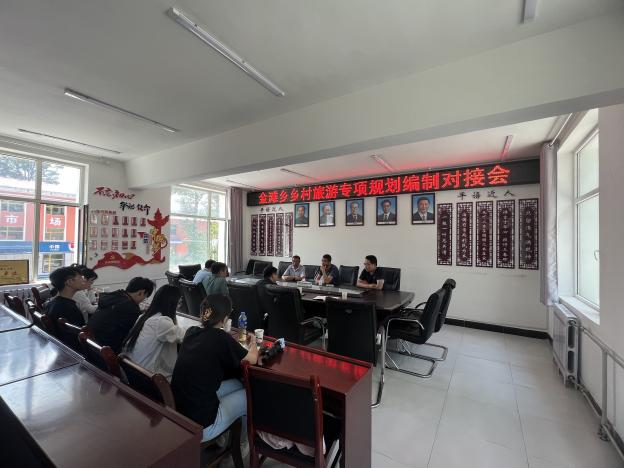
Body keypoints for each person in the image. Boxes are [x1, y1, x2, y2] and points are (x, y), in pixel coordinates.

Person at [171, 294, 258, 444]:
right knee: (250, 395)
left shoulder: (191, 331)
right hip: (201, 426)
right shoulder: (220, 337)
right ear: (225, 318)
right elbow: (253, 359)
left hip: (180, 414)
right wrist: (254, 342)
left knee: (238, 384)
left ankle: (223, 437)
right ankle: (243, 444)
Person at [122, 285, 186, 381]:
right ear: (172, 303)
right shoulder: (161, 322)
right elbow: (185, 336)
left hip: (133, 372)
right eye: (179, 303)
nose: (179, 306)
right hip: (148, 379)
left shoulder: (144, 317)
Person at [89, 277, 155, 354]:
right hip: (106, 351)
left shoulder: (114, 296)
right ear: (141, 292)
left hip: (91, 344)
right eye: (145, 297)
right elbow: (133, 334)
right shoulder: (131, 307)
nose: (143, 300)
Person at [44, 266, 87, 334]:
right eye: (80, 277)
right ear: (69, 282)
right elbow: (80, 334)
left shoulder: (51, 303)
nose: (83, 280)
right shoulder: (69, 309)